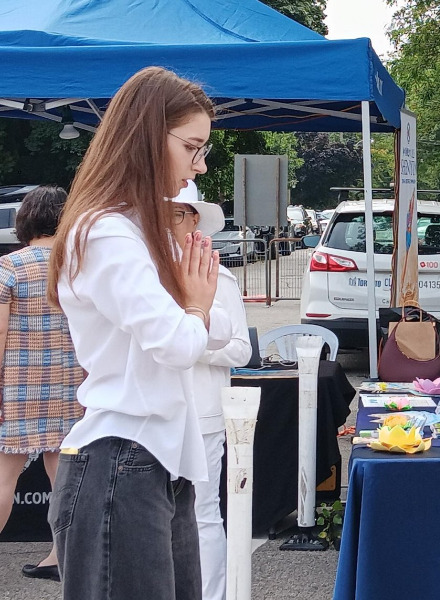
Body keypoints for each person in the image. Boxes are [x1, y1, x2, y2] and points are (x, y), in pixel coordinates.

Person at [46, 66, 231, 600]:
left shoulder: (132, 230)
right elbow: (180, 341)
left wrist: (196, 314)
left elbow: (209, 331)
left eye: (203, 150)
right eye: (192, 147)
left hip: (150, 461)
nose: (197, 166)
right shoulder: (105, 232)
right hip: (121, 459)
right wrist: (194, 309)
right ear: (149, 136)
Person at [169, 181, 252, 600]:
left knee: (201, 513)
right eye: (163, 213)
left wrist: (189, 342)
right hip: (154, 415)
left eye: (180, 214)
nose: (171, 224)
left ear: (196, 220)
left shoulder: (219, 277)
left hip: (202, 414)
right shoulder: (145, 271)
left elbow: (240, 349)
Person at [0, 186, 85, 582]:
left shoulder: (10, 267)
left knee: (4, 477)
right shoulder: (79, 267)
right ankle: (60, 556)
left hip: (17, 386)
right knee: (64, 479)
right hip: (72, 385)